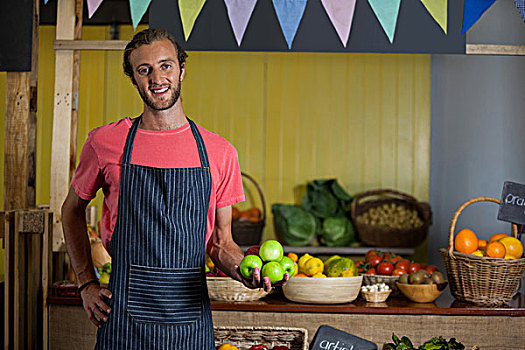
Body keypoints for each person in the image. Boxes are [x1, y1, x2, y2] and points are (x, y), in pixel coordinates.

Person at [61, 28, 288, 349]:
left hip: (189, 321)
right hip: (123, 319)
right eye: (145, 69)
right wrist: (86, 283)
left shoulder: (219, 152)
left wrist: (245, 271)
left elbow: (221, 244)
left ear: (182, 69)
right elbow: (71, 210)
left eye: (165, 65)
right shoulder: (105, 142)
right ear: (134, 79)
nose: (157, 77)